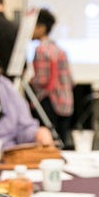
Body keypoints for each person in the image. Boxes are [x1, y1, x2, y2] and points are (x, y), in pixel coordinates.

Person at [30, 8, 74, 147]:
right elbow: (70, 80)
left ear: (41, 28)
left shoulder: (41, 50)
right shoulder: (59, 49)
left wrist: (30, 81)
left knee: (49, 144)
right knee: (61, 143)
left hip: (50, 103)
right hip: (65, 103)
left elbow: (42, 80)